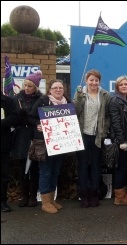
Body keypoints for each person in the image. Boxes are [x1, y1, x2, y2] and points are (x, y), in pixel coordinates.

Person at [28, 79, 70, 213]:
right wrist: (37, 124)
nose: (58, 90)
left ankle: (52, 199)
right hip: (45, 143)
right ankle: (45, 202)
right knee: (46, 171)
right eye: (55, 88)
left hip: (61, 143)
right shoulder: (43, 101)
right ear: (50, 90)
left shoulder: (68, 103)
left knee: (55, 171)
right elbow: (30, 117)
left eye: (60, 88)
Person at [73, 69, 111, 208]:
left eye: (96, 80)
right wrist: (77, 95)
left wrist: (104, 130)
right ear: (86, 81)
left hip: (97, 136)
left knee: (95, 165)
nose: (94, 82)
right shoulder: (80, 93)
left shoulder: (105, 95)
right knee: (82, 165)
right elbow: (75, 111)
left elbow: (107, 115)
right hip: (82, 134)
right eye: (91, 80)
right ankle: (84, 194)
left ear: (99, 82)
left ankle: (94, 194)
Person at [12, 70, 43, 207]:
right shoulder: (17, 98)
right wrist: (18, 117)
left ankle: (33, 196)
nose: (27, 88)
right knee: (22, 166)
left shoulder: (41, 99)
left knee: (34, 167)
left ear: (35, 87)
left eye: (30, 86)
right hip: (20, 135)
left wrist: (32, 121)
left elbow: (41, 117)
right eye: (25, 85)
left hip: (34, 135)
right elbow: (11, 116)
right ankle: (24, 195)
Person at [109, 75, 127, 206]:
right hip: (124, 140)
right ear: (117, 87)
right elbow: (116, 123)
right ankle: (119, 197)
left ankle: (123, 193)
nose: (124, 86)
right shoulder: (115, 100)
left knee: (125, 166)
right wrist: (121, 141)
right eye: (121, 84)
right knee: (121, 167)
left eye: (125, 84)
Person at [1, 92, 18, 212]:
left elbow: (14, 118)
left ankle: (2, 202)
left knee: (3, 175)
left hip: (3, 144)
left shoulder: (7, 101)